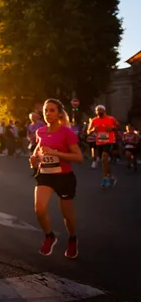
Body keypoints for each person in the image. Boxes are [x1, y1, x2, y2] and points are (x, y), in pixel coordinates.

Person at [30, 99, 83, 259]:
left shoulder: (67, 133)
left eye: (52, 110)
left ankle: (72, 239)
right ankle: (49, 236)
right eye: (46, 111)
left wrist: (57, 153)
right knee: (39, 209)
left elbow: (78, 157)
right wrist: (33, 159)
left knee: (67, 214)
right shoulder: (41, 132)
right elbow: (38, 151)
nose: (48, 114)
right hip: (45, 175)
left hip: (64, 177)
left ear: (59, 113)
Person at [87, 105, 119, 188]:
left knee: (104, 157)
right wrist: (93, 130)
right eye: (97, 110)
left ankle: (105, 178)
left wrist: (112, 129)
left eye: (100, 110)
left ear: (104, 111)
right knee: (104, 161)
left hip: (109, 141)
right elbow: (88, 131)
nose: (99, 111)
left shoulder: (111, 119)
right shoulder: (94, 120)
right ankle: (112, 177)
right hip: (99, 142)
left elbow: (118, 126)